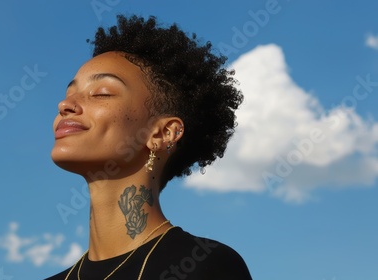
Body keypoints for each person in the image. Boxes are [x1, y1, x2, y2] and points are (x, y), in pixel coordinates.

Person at [46, 14, 252, 280]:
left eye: (102, 93)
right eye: (69, 94)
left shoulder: (204, 265)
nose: (66, 105)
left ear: (163, 133)